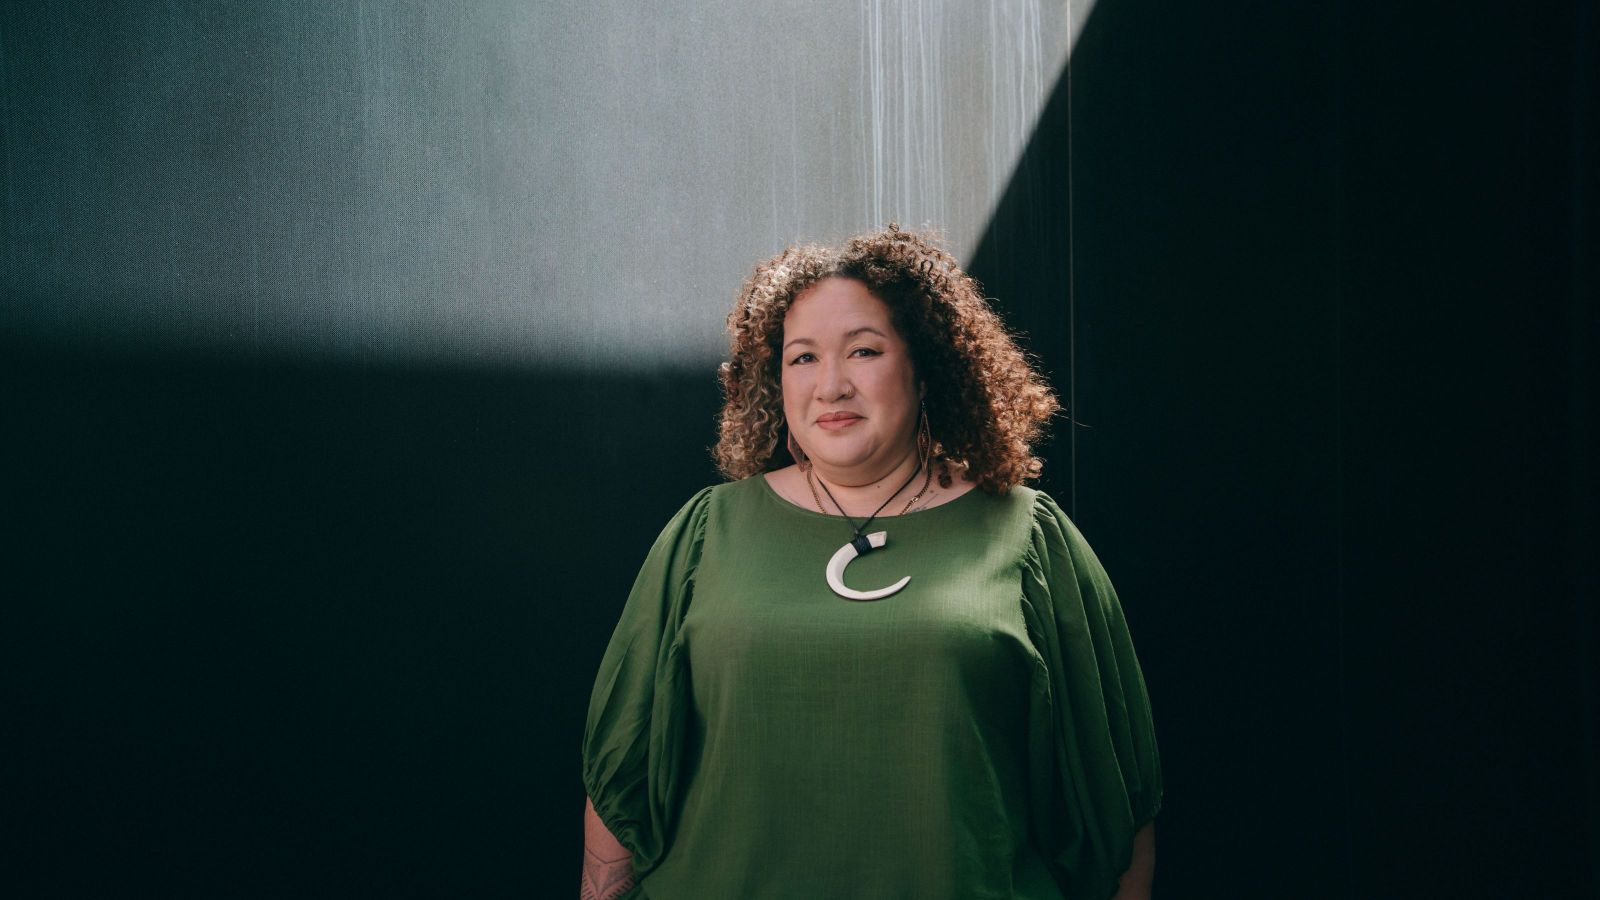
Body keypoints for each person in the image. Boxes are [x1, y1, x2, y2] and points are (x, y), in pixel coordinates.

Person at [580, 225, 1162, 900]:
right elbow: (620, 780)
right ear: (775, 379)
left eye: (864, 351)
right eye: (802, 358)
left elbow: (1116, 808)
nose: (831, 385)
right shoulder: (706, 533)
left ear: (926, 366)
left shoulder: (1028, 538)